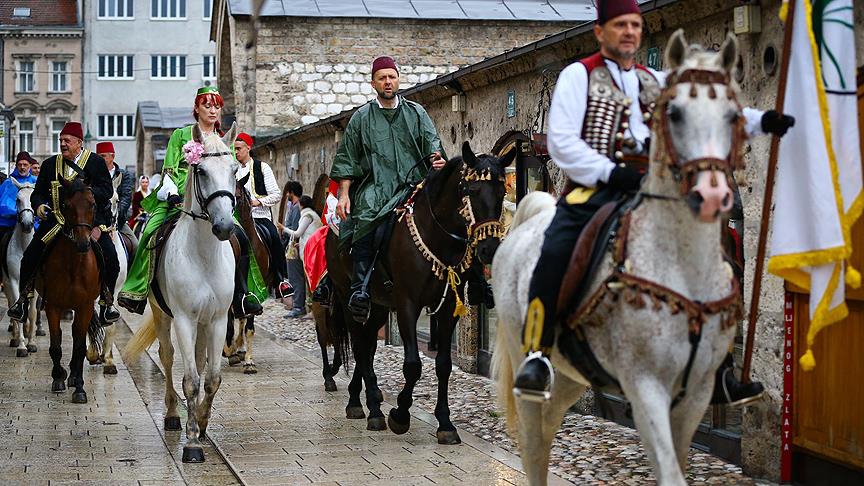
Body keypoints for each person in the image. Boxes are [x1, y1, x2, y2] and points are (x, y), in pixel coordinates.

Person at [512, 0, 796, 405]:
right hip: (593, 189)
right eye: (620, 25)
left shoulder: (656, 79)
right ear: (600, 31)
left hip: (651, 188)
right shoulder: (579, 76)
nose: (629, 32)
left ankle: (718, 367)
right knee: (557, 250)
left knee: (721, 249)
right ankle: (538, 354)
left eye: (635, 25)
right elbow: (562, 143)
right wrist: (611, 172)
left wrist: (761, 120)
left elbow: (707, 107)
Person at [118, 86, 264, 318]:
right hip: (179, 198)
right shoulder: (180, 135)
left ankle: (243, 295)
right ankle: (137, 290)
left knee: (242, 237)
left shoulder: (223, 139)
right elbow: (168, 171)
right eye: (207, 105)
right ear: (196, 108)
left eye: (216, 106)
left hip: (214, 201)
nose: (213, 110)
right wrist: (172, 193)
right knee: (150, 233)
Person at [330, 56, 447, 322]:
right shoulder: (361, 117)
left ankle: (466, 280)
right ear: (373, 83)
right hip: (376, 187)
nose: (387, 82)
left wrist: (436, 159)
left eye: (391, 77)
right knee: (365, 217)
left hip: (415, 184)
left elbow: (432, 144)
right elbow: (348, 158)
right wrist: (344, 195)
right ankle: (359, 288)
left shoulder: (417, 113)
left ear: (398, 79)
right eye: (382, 77)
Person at [6, 122, 121, 324]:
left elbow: (107, 191)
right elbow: (39, 193)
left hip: (89, 222)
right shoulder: (51, 164)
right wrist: (39, 205)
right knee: (30, 255)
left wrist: (86, 195)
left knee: (111, 257)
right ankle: (22, 302)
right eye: (61, 140)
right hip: (57, 221)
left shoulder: (95, 163)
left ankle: (107, 303)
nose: (63, 144)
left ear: (79, 142)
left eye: (67, 140)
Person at [234, 132, 292, 298]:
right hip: (237, 218)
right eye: (234, 149)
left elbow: (276, 194)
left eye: (239, 149)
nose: (236, 152)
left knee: (274, 238)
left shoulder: (262, 167)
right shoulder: (231, 169)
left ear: (248, 148)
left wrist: (258, 202)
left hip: (259, 216)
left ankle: (281, 280)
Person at [278, 195, 323, 317]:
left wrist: (283, 228)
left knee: (310, 281)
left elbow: (298, 232)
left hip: (310, 252)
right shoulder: (312, 214)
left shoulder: (307, 215)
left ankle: (311, 308)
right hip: (311, 249)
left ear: (301, 205)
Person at [95, 142, 137, 243]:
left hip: (118, 220)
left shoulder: (124, 175)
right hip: (97, 222)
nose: (100, 159)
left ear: (112, 156)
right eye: (98, 157)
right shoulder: (93, 175)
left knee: (135, 245)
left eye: (103, 156)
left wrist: (115, 217)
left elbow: (126, 198)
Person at [281, 181, 305, 316]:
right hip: (293, 244)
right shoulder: (295, 206)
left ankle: (298, 307)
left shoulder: (296, 208)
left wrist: (283, 230)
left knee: (295, 277)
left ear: (291, 192)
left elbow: (294, 228)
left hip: (294, 246)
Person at [0, 152, 38, 230]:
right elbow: (3, 205)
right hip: (9, 224)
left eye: (25, 164)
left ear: (30, 165)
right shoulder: (8, 183)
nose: (22, 167)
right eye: (19, 164)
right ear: (16, 166)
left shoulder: (36, 181)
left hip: (34, 222)